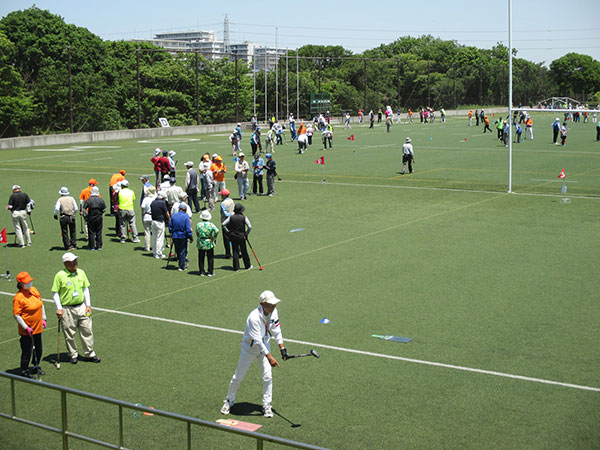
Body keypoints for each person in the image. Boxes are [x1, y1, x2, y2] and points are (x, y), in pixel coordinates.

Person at [220, 290, 287, 418]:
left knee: (267, 376)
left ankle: (267, 405)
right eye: (271, 304)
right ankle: (229, 400)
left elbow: (276, 329)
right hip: (249, 348)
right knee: (238, 376)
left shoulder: (274, 311)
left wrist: (282, 348)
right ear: (262, 303)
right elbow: (257, 341)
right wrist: (270, 357)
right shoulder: (253, 317)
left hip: (265, 346)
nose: (274, 306)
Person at [52, 252, 100, 364]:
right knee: (69, 333)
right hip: (67, 309)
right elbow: (55, 293)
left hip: (81, 306)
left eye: (75, 261)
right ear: (66, 263)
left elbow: (85, 289)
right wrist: (59, 308)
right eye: (73, 262)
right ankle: (73, 354)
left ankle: (89, 353)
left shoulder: (81, 272)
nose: (76, 263)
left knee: (87, 330)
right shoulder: (59, 275)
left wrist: (88, 305)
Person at [13, 271, 46, 378]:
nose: (29, 284)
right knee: (27, 351)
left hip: (37, 327)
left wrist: (43, 319)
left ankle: (35, 365)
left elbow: (41, 304)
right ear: (21, 284)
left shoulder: (34, 290)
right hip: (28, 330)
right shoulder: (19, 298)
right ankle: (25, 370)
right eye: (27, 283)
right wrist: (25, 327)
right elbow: (17, 315)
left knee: (39, 349)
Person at [222, 203, 252, 272]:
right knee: (244, 251)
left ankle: (236, 268)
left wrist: (228, 232)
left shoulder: (231, 217)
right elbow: (250, 227)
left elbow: (223, 224)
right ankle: (247, 266)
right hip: (241, 236)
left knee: (235, 251)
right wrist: (246, 234)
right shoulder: (244, 217)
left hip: (233, 236)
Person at [169, 203, 193, 271]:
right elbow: (188, 229)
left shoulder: (173, 216)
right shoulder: (186, 216)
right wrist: (190, 237)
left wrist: (172, 232)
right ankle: (181, 266)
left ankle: (181, 263)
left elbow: (170, 227)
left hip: (175, 236)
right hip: (183, 236)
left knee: (178, 250)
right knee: (183, 251)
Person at [196, 209, 219, 276]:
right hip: (209, 241)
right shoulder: (211, 225)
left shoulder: (198, 225)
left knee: (201, 257)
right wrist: (214, 237)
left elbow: (197, 232)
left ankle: (201, 271)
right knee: (210, 257)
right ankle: (210, 271)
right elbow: (217, 231)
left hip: (201, 242)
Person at [82, 186, 106, 251]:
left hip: (91, 218)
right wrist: (101, 213)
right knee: (99, 232)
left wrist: (85, 215)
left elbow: (84, 209)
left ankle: (91, 246)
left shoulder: (89, 200)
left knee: (91, 232)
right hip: (99, 218)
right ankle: (99, 246)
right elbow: (104, 209)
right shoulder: (101, 200)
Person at [117, 179, 140, 244]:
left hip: (122, 209)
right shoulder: (131, 192)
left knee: (122, 224)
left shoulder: (120, 192)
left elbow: (118, 199)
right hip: (130, 209)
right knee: (132, 224)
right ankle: (135, 237)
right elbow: (133, 199)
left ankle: (123, 238)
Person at [150, 192, 170, 259]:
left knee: (154, 238)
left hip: (153, 221)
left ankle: (154, 252)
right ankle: (158, 253)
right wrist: (169, 219)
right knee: (160, 239)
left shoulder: (153, 202)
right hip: (160, 222)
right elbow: (166, 212)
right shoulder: (162, 203)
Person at [109, 170, 126, 236]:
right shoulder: (122, 178)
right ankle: (122, 232)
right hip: (122, 206)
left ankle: (112, 211)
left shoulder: (114, 175)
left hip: (111, 187)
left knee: (112, 200)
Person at [140, 186, 157, 252]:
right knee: (155, 233)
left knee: (147, 232)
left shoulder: (146, 199)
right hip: (154, 217)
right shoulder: (155, 198)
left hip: (147, 216)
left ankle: (147, 247)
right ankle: (155, 247)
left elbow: (142, 207)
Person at [219, 189, 234, 257]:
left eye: (221, 195)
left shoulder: (223, 203)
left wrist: (229, 215)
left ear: (224, 195)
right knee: (233, 236)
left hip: (225, 221)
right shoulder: (231, 201)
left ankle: (228, 253)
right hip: (232, 220)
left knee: (226, 238)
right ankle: (238, 251)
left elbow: (225, 214)